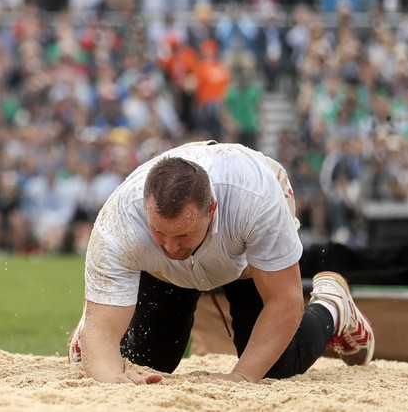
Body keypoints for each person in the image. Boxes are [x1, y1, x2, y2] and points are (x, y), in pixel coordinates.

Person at [67, 141, 374, 385]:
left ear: (211, 208)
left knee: (274, 367)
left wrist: (241, 376)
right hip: (166, 272)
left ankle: (333, 307)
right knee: (147, 360)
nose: (171, 247)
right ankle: (97, 311)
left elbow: (285, 300)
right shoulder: (119, 221)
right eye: (159, 232)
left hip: (242, 257)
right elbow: (102, 331)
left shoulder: (257, 199)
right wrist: (112, 376)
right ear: (147, 209)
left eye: (183, 234)